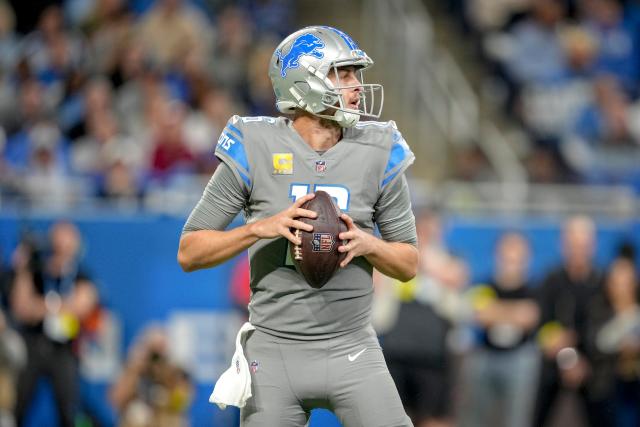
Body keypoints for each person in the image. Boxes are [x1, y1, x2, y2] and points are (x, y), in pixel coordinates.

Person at [178, 25, 418, 427]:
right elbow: (189, 251)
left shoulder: (379, 149)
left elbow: (408, 263)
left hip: (352, 348)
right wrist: (259, 228)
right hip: (273, 353)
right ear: (302, 82)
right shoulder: (254, 145)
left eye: (355, 74)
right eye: (342, 74)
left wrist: (367, 244)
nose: (356, 86)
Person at [9, 221, 99, 427]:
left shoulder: (81, 275)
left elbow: (82, 305)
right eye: (57, 246)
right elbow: (22, 308)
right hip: (31, 344)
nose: (61, 253)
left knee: (69, 408)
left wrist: (42, 307)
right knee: (16, 406)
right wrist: (24, 267)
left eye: (67, 247)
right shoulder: (36, 271)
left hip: (63, 349)